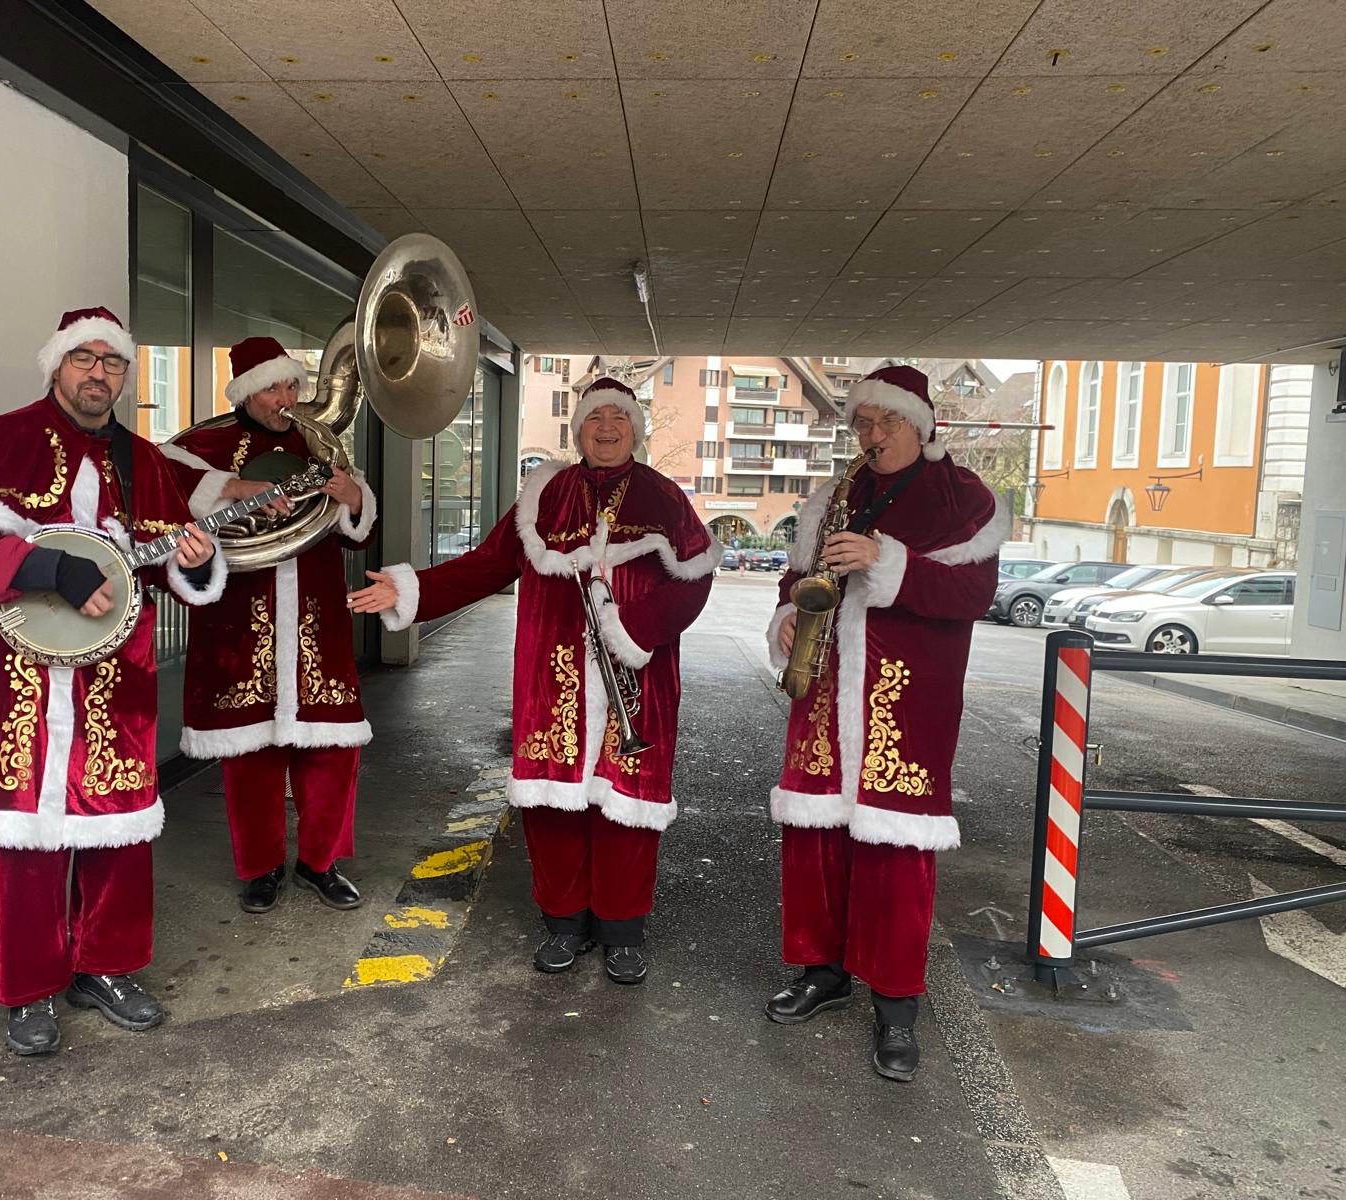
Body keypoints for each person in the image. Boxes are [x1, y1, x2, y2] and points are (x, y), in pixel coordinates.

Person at [0, 306, 225, 1055]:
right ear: (56, 365)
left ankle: (104, 969)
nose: (98, 374)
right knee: (17, 837)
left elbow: (171, 570)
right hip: (10, 676)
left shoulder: (146, 464)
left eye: (112, 362)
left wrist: (199, 560)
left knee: (116, 832)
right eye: (84, 358)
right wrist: (47, 567)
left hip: (114, 682)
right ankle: (26, 989)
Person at [347, 377, 717, 984]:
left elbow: (696, 579)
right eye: (594, 417)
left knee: (628, 807)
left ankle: (623, 930)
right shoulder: (543, 493)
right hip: (553, 679)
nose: (605, 427)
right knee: (553, 806)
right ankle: (564, 923)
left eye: (617, 418)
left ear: (635, 429)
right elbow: (487, 565)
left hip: (639, 680)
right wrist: (412, 588)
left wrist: (636, 630)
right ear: (578, 431)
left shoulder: (665, 498)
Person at [764, 364, 1007, 1082]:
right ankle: (823, 972)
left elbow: (975, 591)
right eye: (862, 424)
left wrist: (885, 559)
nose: (872, 437)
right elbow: (798, 577)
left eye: (887, 423)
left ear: (921, 424)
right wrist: (785, 616)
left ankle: (897, 1008)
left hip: (906, 701)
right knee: (816, 842)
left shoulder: (963, 497)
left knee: (898, 856)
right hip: (825, 693)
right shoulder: (838, 493)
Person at [161, 337, 375, 913]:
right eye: (273, 387)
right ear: (245, 392)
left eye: (291, 386)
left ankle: (321, 863)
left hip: (316, 617)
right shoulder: (205, 445)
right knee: (250, 758)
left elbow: (359, 528)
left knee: (332, 751)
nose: (286, 398)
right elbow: (161, 480)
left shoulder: (316, 445)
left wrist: (353, 495)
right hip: (239, 623)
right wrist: (232, 489)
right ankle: (260, 869)